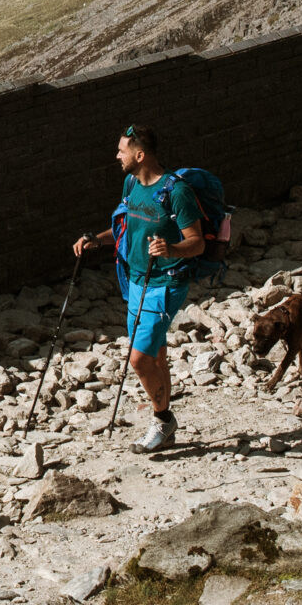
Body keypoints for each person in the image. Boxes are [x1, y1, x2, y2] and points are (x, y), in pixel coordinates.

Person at [74, 124, 206, 453]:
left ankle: (163, 420)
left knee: (138, 359)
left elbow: (198, 243)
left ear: (140, 155)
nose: (117, 156)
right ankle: (166, 427)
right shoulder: (131, 183)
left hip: (165, 283)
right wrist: (97, 240)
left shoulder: (176, 192)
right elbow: (124, 226)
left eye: (122, 151)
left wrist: (172, 250)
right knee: (156, 356)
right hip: (135, 280)